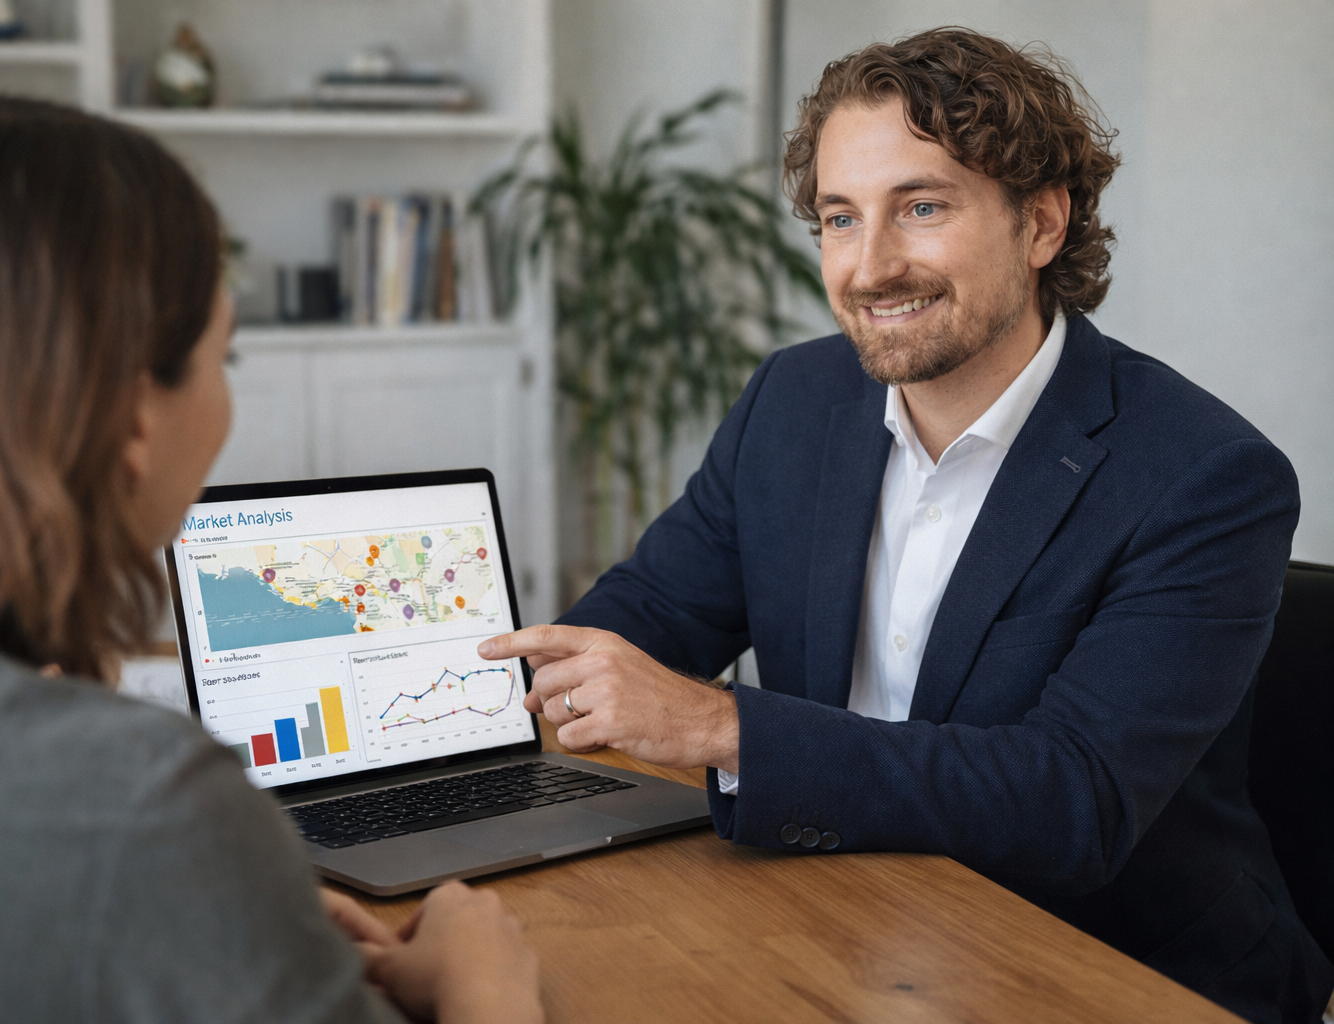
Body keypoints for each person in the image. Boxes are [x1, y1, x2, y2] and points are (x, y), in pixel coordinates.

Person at [480, 27, 1333, 1024]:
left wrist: (721, 725)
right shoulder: (792, 402)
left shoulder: (1204, 475)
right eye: (841, 219)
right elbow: (642, 619)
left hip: (1110, 967)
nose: (872, 265)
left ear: (1042, 224)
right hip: (840, 916)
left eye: (922, 207)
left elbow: (1075, 799)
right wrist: (421, 707)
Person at [0, 87, 542, 1024]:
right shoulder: (142, 803)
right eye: (222, 360)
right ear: (131, 417)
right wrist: (485, 988)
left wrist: (211, 913)